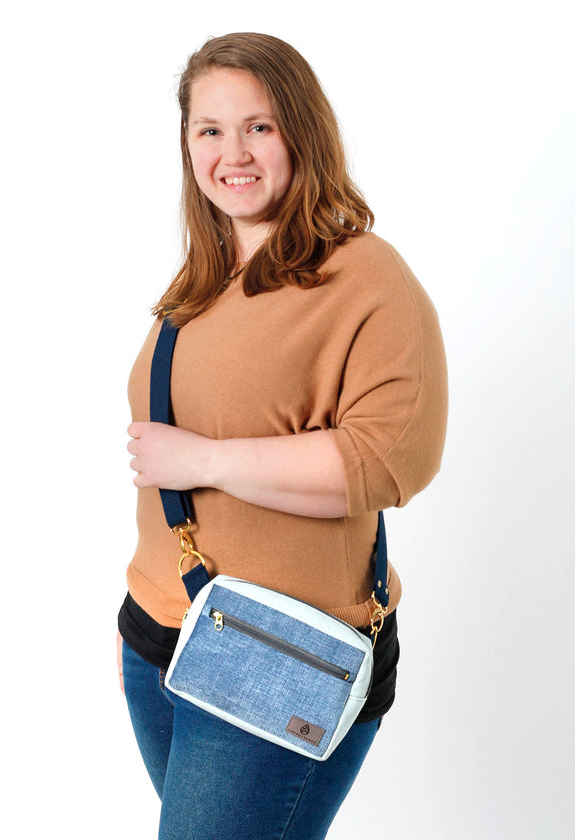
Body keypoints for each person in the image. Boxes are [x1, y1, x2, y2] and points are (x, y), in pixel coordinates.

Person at [116, 32, 448, 840]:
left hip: (284, 657)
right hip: (160, 632)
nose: (234, 152)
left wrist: (199, 461)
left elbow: (391, 460)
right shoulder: (200, 276)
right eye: (210, 129)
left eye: (259, 126)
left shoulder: (365, 275)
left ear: (302, 131)